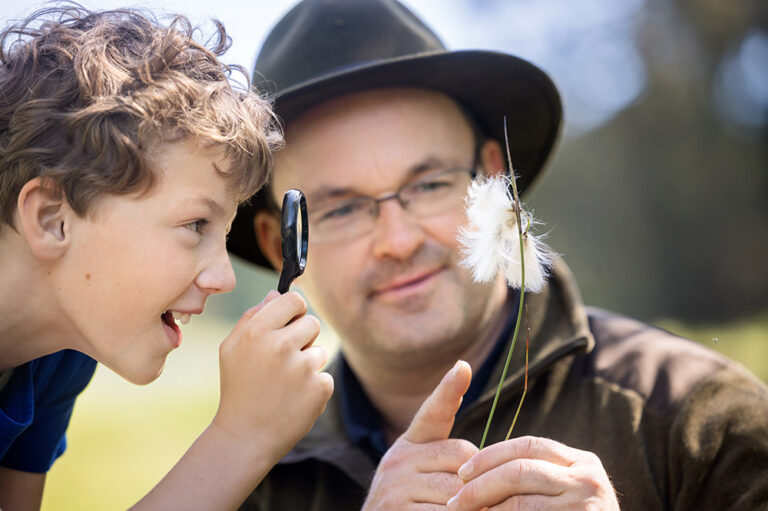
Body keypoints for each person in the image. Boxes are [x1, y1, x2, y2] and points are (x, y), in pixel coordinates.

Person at [227, 0, 768, 510]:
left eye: (430, 184)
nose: (398, 240)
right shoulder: (250, 478)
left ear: (493, 179)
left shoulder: (702, 424)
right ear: (282, 244)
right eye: (341, 210)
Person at [0, 6, 333, 510]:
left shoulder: (55, 355)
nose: (224, 277)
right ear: (52, 219)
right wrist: (239, 439)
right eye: (196, 224)